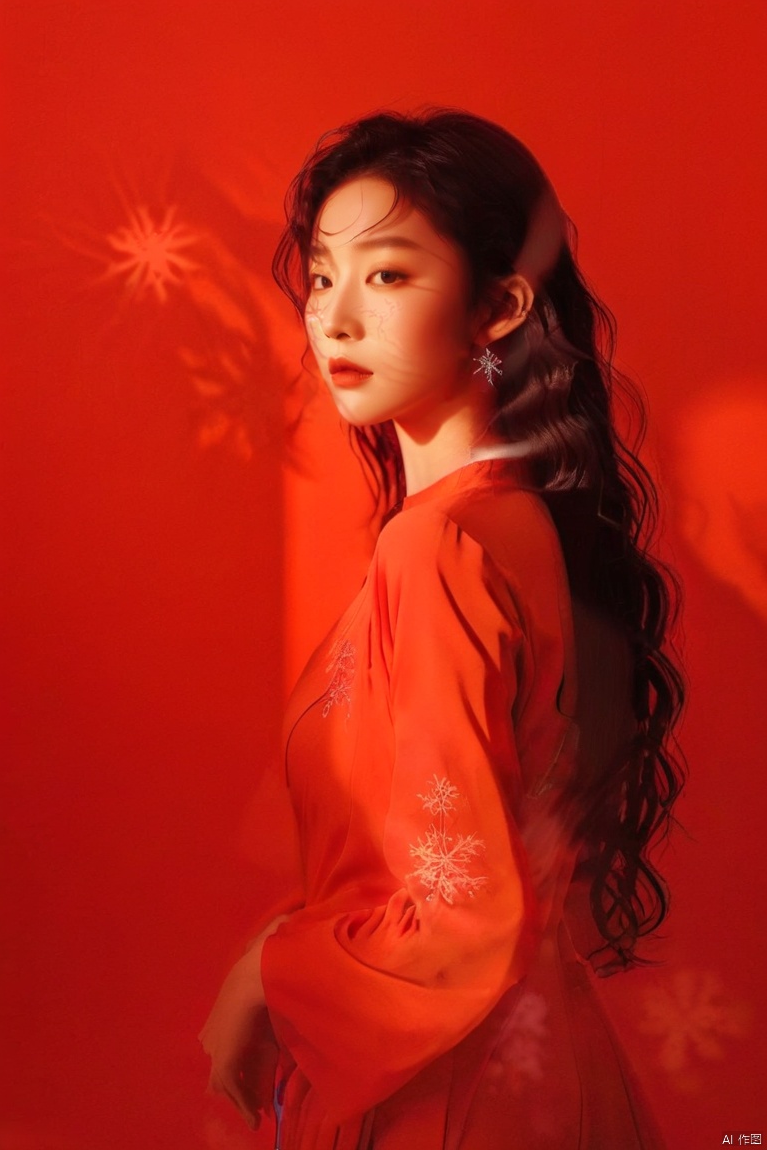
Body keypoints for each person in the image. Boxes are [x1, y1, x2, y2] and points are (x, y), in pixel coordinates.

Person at [200, 108, 685, 1149]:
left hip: (458, 1094)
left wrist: (266, 974)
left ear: (498, 306)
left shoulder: (441, 549)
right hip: (537, 1066)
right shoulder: (511, 521)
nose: (332, 320)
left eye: (386, 275)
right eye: (323, 277)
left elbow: (461, 916)